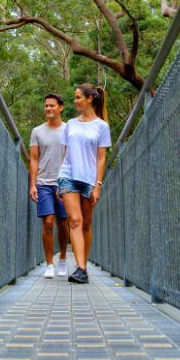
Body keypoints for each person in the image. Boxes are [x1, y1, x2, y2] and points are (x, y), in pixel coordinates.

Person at [57, 83, 111, 284]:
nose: (75, 100)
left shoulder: (102, 126)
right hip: (68, 176)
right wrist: (58, 184)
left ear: (90, 99)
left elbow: (101, 158)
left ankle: (83, 265)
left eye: (78, 97)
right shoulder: (70, 124)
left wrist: (98, 184)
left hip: (89, 179)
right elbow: (66, 154)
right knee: (76, 221)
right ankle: (81, 268)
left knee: (86, 224)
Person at [29, 94, 70, 278]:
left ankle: (62, 258)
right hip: (43, 183)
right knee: (48, 222)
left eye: (52, 106)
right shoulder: (37, 131)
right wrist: (33, 184)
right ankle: (49, 264)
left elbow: (71, 157)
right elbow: (34, 159)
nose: (48, 109)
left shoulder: (69, 129)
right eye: (46, 106)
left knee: (63, 223)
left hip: (64, 182)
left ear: (60, 107)